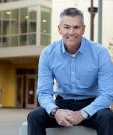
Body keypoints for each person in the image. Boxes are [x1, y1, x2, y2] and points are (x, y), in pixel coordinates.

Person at [27, 7, 113, 135]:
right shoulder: (48, 53)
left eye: (76, 27)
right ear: (59, 29)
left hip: (92, 105)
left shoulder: (100, 53)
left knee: (107, 117)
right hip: (62, 104)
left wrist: (82, 114)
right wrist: (55, 111)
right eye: (66, 27)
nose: (71, 32)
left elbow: (107, 94)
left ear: (83, 29)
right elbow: (44, 92)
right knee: (34, 117)